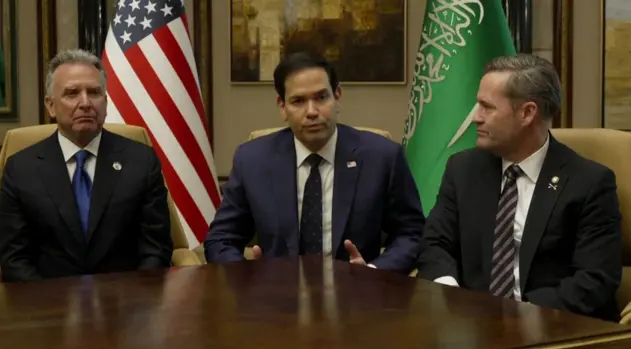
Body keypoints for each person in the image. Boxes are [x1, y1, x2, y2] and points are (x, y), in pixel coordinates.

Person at [416, 53, 622, 321]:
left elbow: (595, 280)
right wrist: (452, 294)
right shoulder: (464, 169)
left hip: (554, 330)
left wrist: (513, 316)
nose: (475, 117)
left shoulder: (589, 183)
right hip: (470, 326)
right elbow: (434, 243)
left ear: (527, 113)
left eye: (486, 107)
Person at [204, 52, 424, 273]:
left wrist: (374, 272)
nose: (312, 112)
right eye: (298, 101)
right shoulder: (252, 160)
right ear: (282, 106)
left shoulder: (382, 157)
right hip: (276, 299)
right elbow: (221, 239)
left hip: (359, 298)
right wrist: (250, 278)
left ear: (337, 97)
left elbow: (412, 233)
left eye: (321, 97)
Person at [0, 49, 173, 282]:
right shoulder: (21, 169)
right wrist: (48, 309)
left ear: (106, 102)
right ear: (51, 105)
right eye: (72, 93)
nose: (85, 103)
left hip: (125, 305)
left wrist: (133, 303)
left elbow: (156, 249)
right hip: (47, 307)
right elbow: (14, 258)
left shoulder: (141, 161)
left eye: (94, 92)